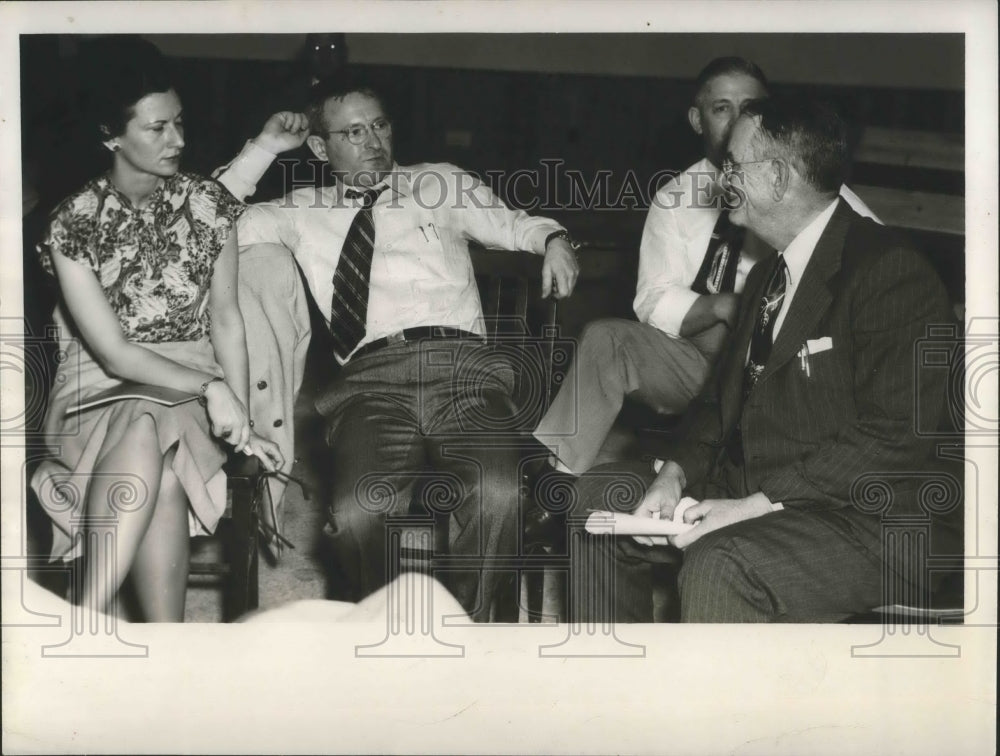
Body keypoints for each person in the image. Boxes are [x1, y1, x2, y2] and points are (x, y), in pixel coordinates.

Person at [571, 95, 957, 622]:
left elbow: (894, 435)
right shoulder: (764, 277)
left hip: (867, 518)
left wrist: (752, 507)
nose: (720, 177)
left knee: (721, 563)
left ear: (776, 177)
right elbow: (716, 404)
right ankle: (621, 692)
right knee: (596, 500)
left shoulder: (890, 272)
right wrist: (673, 477)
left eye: (732, 165)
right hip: (758, 488)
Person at [216, 71, 579, 620]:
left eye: (379, 125)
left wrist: (554, 239)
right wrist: (264, 147)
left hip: (462, 371)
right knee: (357, 512)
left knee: (498, 494)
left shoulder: (439, 183)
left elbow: (515, 225)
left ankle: (470, 639)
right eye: (353, 132)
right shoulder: (295, 211)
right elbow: (201, 220)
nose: (373, 142)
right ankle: (375, 632)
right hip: (370, 383)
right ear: (319, 146)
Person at [31, 38, 282, 622]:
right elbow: (116, 355)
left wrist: (238, 412)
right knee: (147, 427)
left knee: (155, 439)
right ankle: (152, 642)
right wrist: (209, 388)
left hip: (190, 383)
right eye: (158, 128)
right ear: (109, 135)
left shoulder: (209, 205)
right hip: (94, 389)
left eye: (181, 123)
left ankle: (89, 622)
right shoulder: (73, 222)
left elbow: (225, 319)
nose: (180, 141)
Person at [532, 57, 876, 481]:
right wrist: (721, 308)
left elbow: (872, 257)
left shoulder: (808, 189)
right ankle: (555, 485)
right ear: (697, 120)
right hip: (701, 360)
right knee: (606, 339)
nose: (736, 121)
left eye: (749, 107)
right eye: (721, 108)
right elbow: (652, 298)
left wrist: (761, 311)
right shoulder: (676, 197)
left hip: (783, 365)